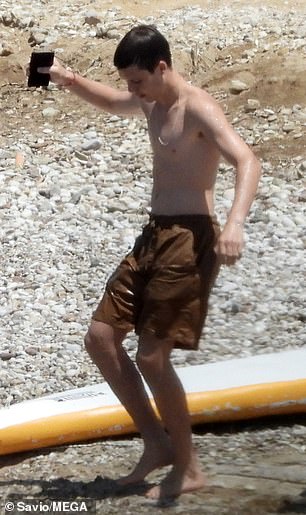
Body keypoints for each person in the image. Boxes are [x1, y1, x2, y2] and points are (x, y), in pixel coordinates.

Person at [38, 24, 261, 500]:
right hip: (154, 234)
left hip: (191, 238)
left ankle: (191, 467)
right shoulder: (150, 100)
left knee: (154, 358)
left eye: (137, 80)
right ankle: (157, 445)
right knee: (100, 338)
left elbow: (247, 160)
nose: (131, 90)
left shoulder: (199, 107)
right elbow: (112, 102)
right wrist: (67, 78)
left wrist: (236, 223)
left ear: (162, 67)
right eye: (128, 81)